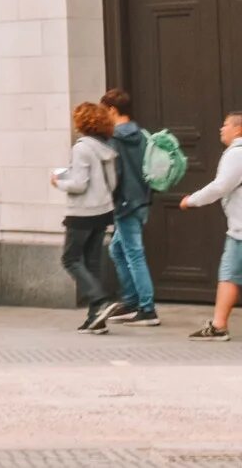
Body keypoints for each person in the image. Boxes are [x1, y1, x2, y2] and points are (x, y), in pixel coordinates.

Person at [52, 100, 121, 332]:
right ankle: (95, 319)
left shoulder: (81, 148)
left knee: (70, 259)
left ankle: (100, 300)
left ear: (82, 122)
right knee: (92, 262)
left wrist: (59, 182)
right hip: (103, 211)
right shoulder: (106, 148)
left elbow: (79, 184)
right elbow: (112, 183)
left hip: (81, 212)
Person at [179, 108, 242, 341]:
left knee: (229, 274)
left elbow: (220, 186)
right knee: (229, 274)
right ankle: (218, 324)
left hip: (240, 230)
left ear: (238, 129)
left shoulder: (236, 154)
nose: (221, 128)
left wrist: (192, 200)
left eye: (226, 124)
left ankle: (219, 325)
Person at [101, 88, 159, 327]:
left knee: (134, 253)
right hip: (142, 200)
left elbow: (115, 175)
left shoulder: (114, 139)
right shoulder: (143, 134)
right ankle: (132, 300)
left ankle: (147, 308)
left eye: (104, 111)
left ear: (113, 110)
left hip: (125, 202)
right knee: (117, 250)